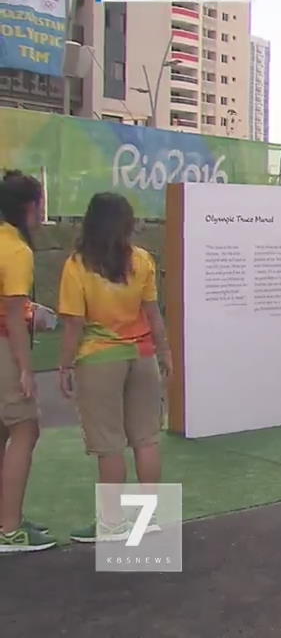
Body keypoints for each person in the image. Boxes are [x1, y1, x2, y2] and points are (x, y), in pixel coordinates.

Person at [55, 193, 171, 542]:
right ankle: (148, 519)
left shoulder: (77, 265)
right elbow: (153, 313)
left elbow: (74, 325)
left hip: (99, 359)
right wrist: (165, 351)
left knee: (109, 445)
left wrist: (64, 365)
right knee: (146, 439)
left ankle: (112, 523)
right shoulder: (142, 261)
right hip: (142, 356)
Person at [0, 171, 55, 553]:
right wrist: (24, 367)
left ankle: (6, 519)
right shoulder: (16, 250)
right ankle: (10, 528)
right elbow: (13, 315)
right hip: (3, 347)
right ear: (28, 206)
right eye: (39, 203)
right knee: (25, 428)